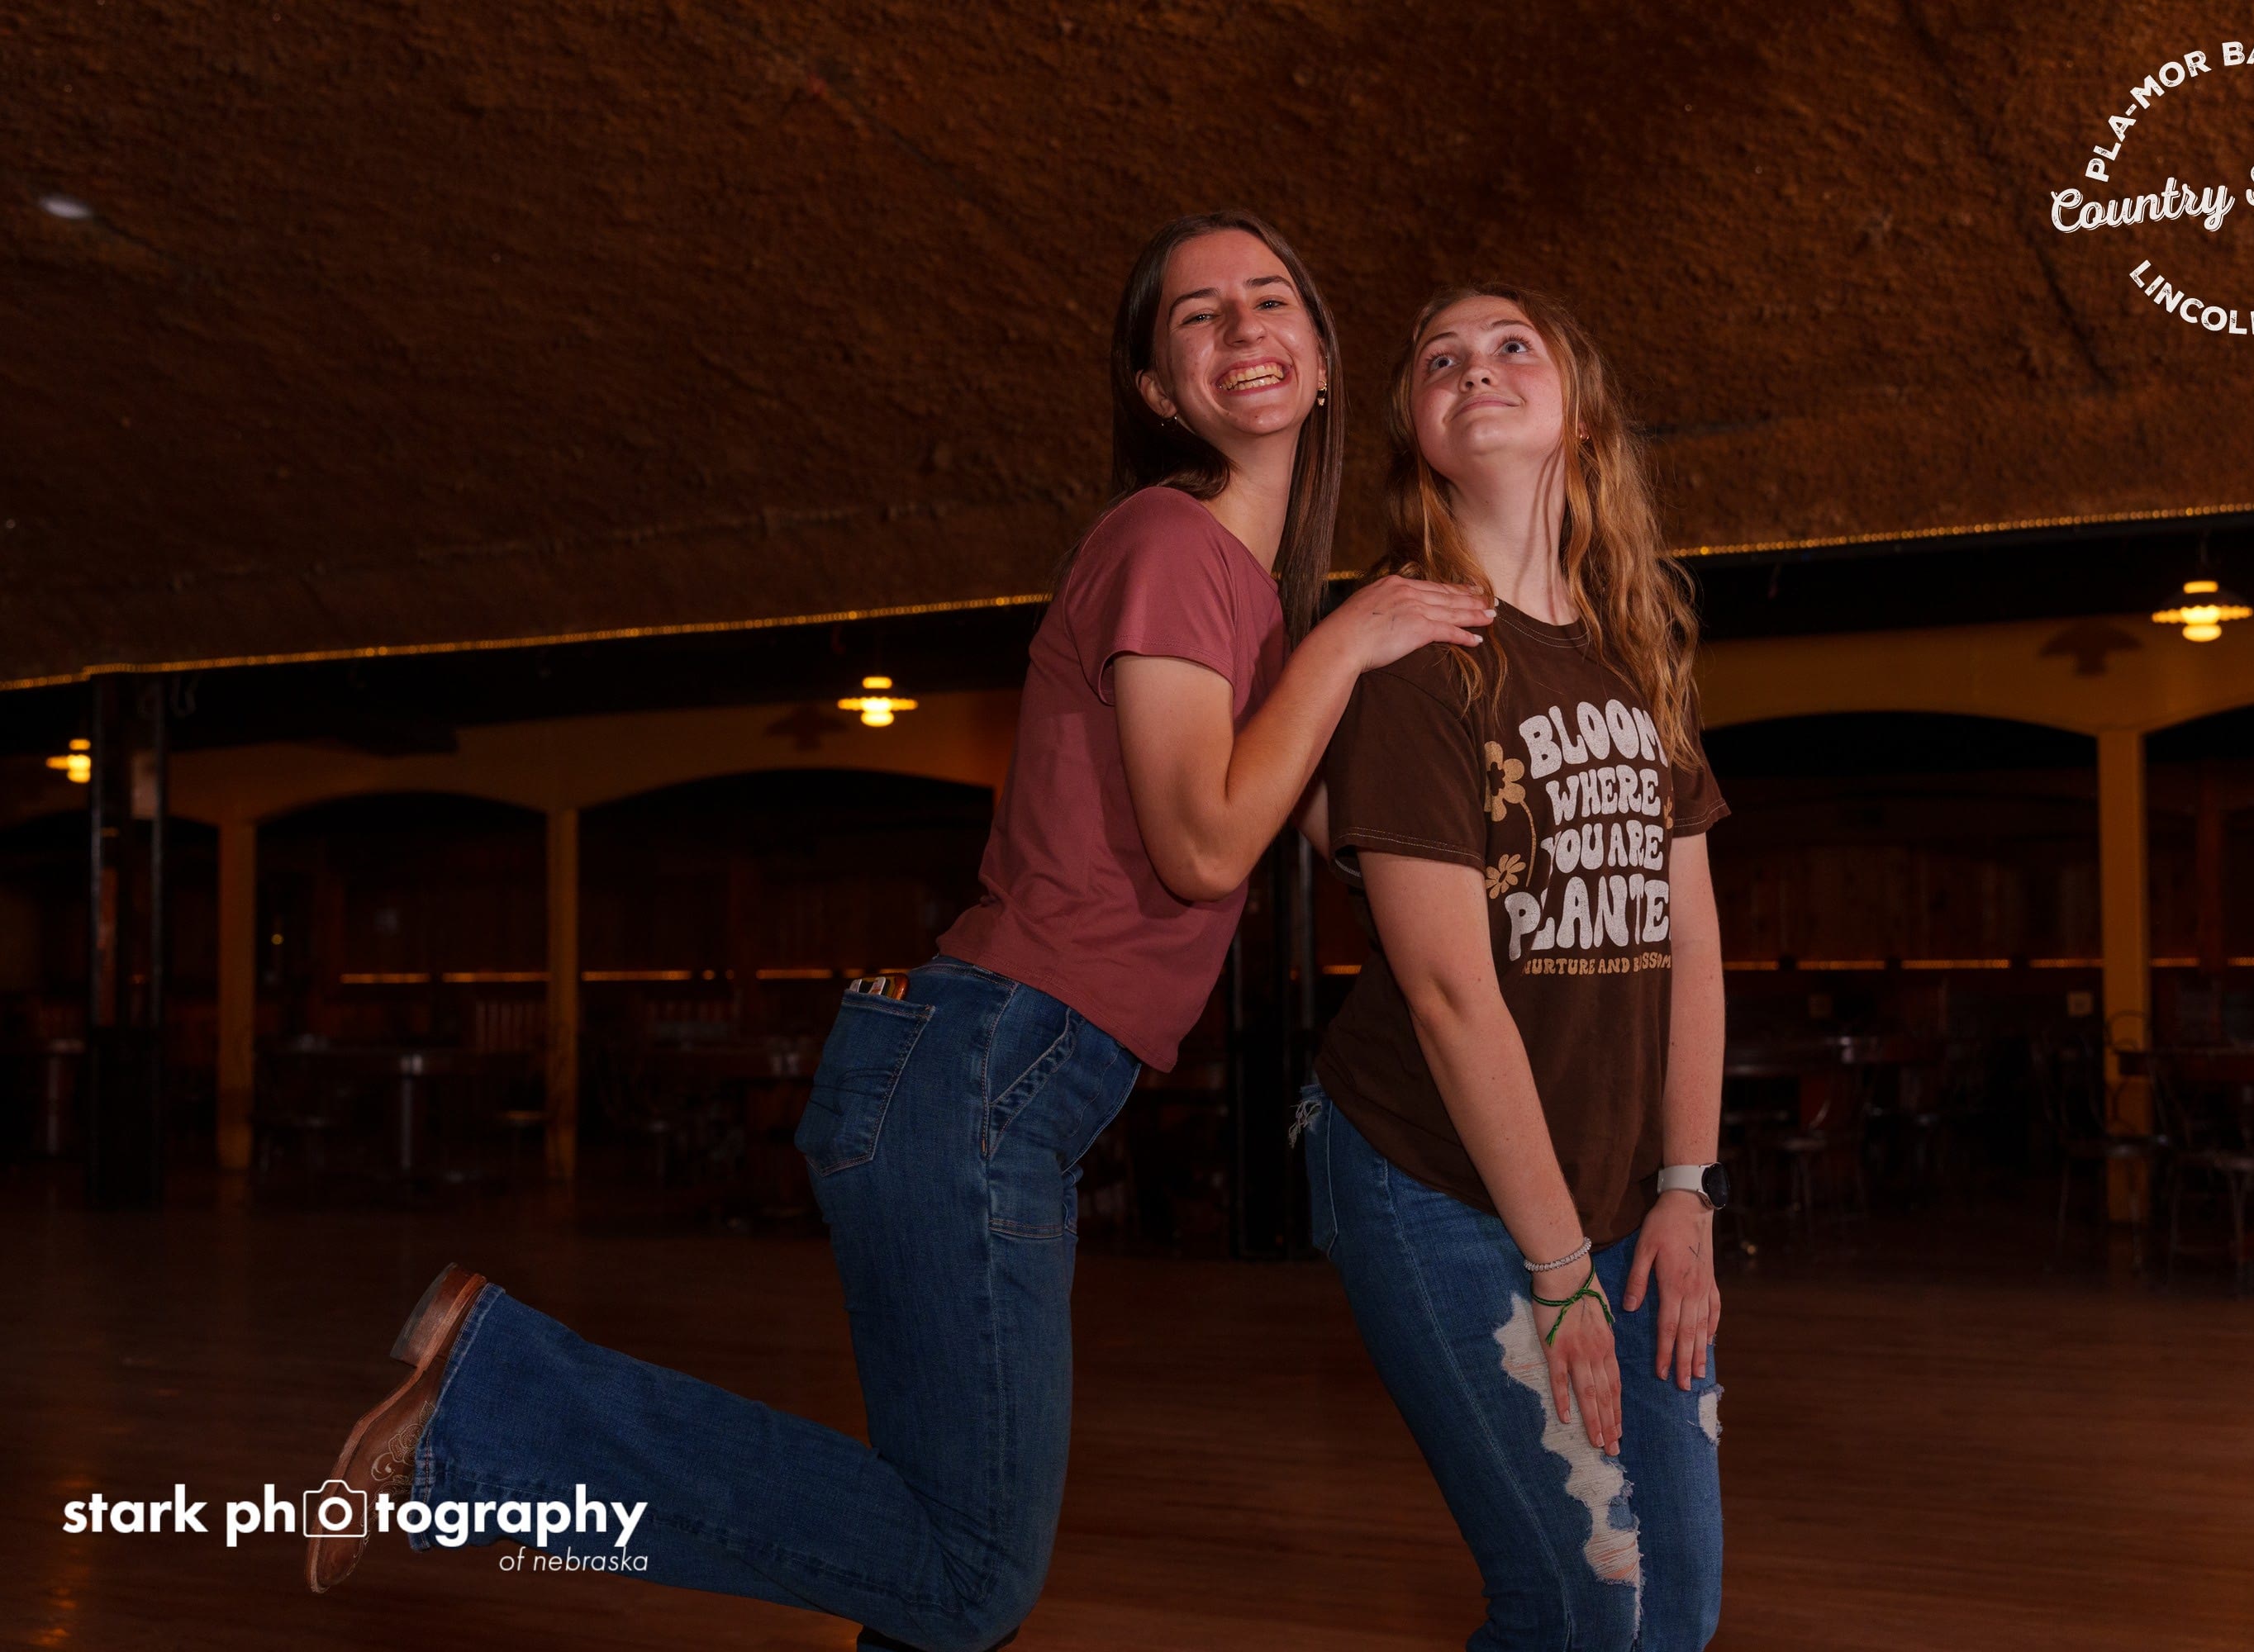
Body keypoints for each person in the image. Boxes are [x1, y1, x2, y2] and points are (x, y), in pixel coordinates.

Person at [303, 211, 1496, 1652]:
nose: (1242, 327)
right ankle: (492, 1402)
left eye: (1269, 299)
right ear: (1157, 392)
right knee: (969, 1574)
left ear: (1322, 361)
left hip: (992, 1078)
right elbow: (1203, 847)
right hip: (992, 1071)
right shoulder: (1174, 543)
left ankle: (490, 1401)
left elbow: (1342, 835)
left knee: (928, 1560)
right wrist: (1351, 640)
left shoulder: (1249, 603)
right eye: (1198, 315)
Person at [1294, 283, 1730, 1650]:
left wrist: (1687, 1189)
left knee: (1677, 1610)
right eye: (1440, 359)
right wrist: (1557, 1267)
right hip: (1432, 1177)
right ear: (1421, 438)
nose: (1473, 368)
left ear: (1580, 413)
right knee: (1581, 1603)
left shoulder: (1633, 655)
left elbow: (1693, 948)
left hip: (1621, 1191)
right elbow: (1443, 990)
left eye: (1509, 345)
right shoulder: (1414, 656)